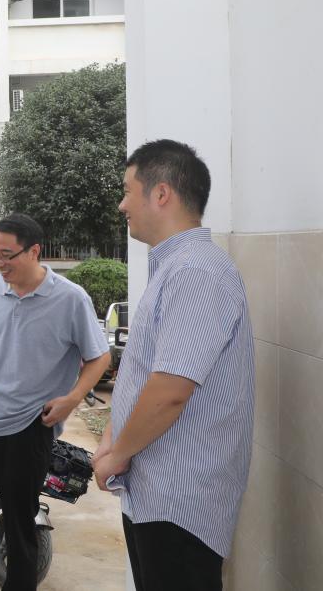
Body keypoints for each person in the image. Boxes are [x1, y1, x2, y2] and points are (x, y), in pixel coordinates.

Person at [94, 140, 253, 591]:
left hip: (180, 501)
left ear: (161, 193)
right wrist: (111, 438)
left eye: (128, 191)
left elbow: (170, 390)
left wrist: (118, 454)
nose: (122, 205)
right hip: (154, 492)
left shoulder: (196, 272)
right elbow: (144, 371)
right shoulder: (174, 266)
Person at [0, 213, 110, 591]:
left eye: (7, 255)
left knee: (19, 526)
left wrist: (72, 399)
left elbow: (99, 357)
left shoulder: (70, 298)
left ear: (34, 251)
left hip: (28, 428)